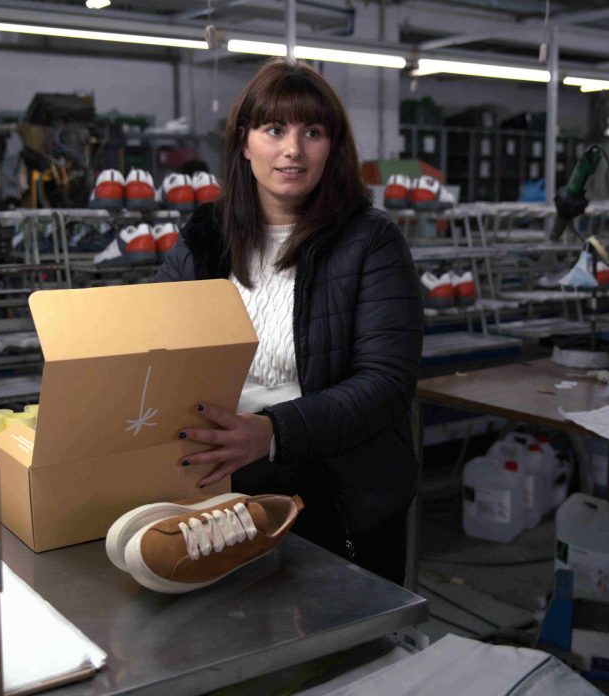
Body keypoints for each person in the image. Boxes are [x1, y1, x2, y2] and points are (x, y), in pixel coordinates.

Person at [156, 59, 423, 584]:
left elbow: (387, 383)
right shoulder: (204, 240)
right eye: (274, 129)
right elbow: (150, 344)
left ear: (333, 147)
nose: (293, 150)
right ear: (244, 141)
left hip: (335, 494)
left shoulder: (370, 242)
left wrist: (272, 432)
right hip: (218, 489)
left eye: (313, 132)